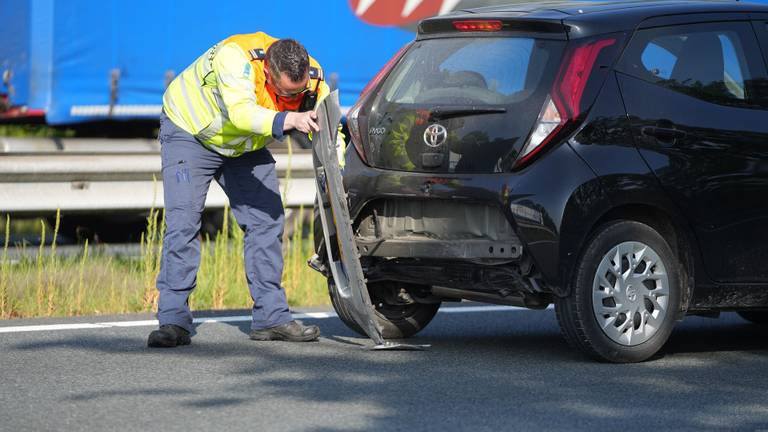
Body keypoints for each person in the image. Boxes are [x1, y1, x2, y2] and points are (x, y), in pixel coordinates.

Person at [148, 32, 336, 347]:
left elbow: (333, 128)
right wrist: (290, 118)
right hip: (191, 133)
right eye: (286, 93)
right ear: (267, 74)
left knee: (268, 221)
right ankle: (173, 322)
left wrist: (339, 169)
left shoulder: (314, 78)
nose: (294, 98)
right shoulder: (234, 59)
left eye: (299, 91)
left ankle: (271, 318)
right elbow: (242, 114)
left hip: (242, 145)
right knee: (183, 223)